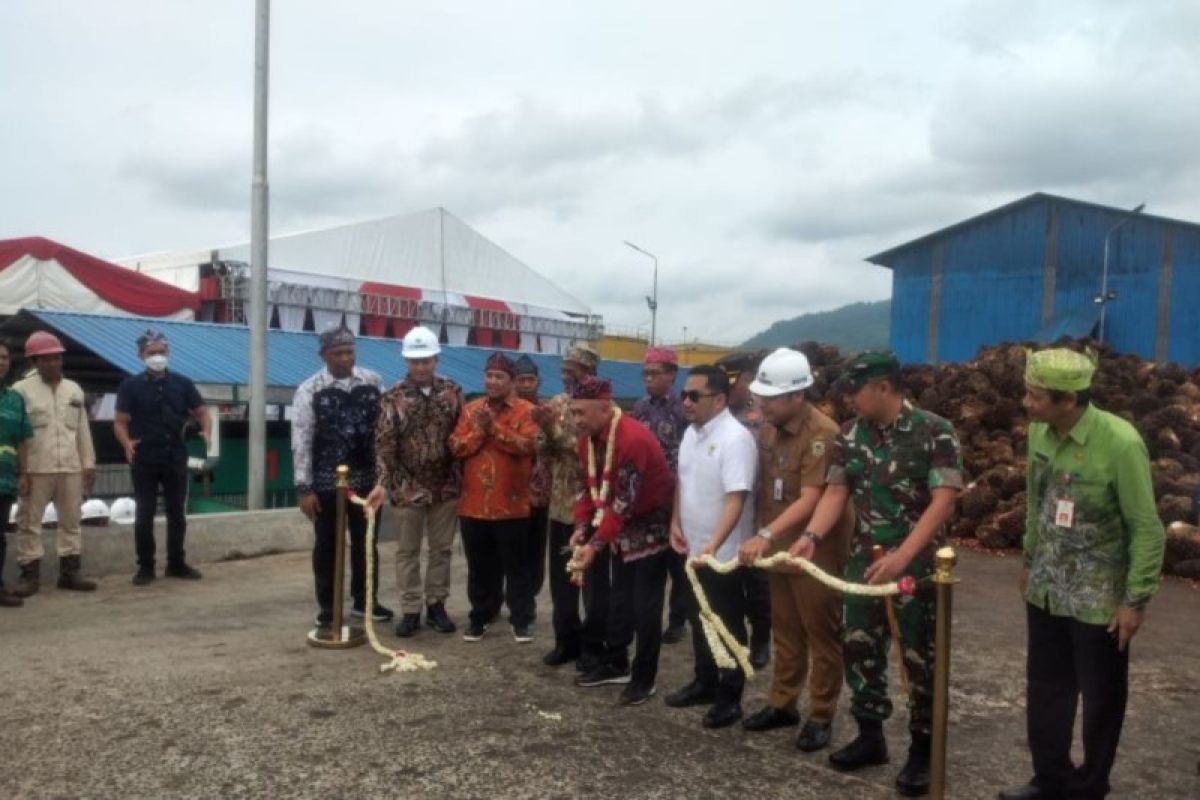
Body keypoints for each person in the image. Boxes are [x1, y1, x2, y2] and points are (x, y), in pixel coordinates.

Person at [792, 351, 963, 797]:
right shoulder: (850, 435)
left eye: (855, 390)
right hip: (864, 561)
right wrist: (811, 535)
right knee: (859, 646)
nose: (849, 400)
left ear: (883, 387)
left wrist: (905, 555)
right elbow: (835, 492)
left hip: (919, 567)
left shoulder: (934, 430)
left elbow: (943, 499)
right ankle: (871, 737)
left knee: (920, 659)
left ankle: (924, 751)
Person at [998, 349, 1166, 800]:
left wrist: (1135, 600)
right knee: (1046, 688)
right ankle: (1048, 779)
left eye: (1036, 397)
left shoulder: (1120, 443)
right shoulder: (1039, 432)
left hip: (1100, 598)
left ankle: (1090, 787)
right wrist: (1030, 560)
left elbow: (1147, 527)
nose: (1027, 404)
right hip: (1048, 588)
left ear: (1069, 400)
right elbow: (1037, 501)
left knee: (1100, 698)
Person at [737, 348, 853, 752]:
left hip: (815, 546)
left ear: (798, 396)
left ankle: (821, 714)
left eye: (770, 397)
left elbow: (811, 497)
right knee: (785, 628)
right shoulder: (769, 427)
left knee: (820, 631)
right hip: (780, 540)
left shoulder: (823, 433)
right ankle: (783, 703)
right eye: (761, 396)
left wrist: (765, 534)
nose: (762, 404)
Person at [569, 376, 674, 707]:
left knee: (646, 608)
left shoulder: (632, 439)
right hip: (617, 527)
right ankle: (616, 663)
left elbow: (621, 505)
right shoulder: (586, 440)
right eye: (573, 413)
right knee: (619, 601)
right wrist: (581, 527)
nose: (576, 421)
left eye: (581, 413)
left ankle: (645, 678)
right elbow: (589, 490)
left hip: (650, 526)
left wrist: (594, 545)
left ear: (605, 408)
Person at [664, 365, 758, 728]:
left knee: (726, 622)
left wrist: (713, 546)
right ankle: (705, 681)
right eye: (683, 395)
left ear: (719, 399)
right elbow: (682, 482)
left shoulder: (735, 439)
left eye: (694, 396)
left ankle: (729, 696)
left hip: (723, 553)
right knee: (697, 616)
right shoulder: (692, 433)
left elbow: (736, 498)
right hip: (692, 547)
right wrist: (675, 521)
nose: (685, 402)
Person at [365, 325, 463, 638]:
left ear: (436, 359)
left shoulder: (452, 392)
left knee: (441, 550)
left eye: (426, 360)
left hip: (445, 486)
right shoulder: (392, 397)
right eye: (414, 361)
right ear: (406, 362)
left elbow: (463, 436)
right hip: (407, 487)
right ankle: (410, 609)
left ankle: (437, 605)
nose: (420, 366)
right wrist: (382, 482)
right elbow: (384, 444)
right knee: (407, 551)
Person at [291, 325, 391, 628]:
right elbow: (301, 439)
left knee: (366, 543)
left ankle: (365, 601)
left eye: (349, 351)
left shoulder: (374, 382)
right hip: (325, 483)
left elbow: (385, 433)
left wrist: (382, 478)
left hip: (367, 480)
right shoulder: (309, 390)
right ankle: (328, 608)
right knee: (327, 546)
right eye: (338, 353)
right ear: (324, 354)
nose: (345, 358)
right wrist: (304, 488)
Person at [448, 352, 539, 642]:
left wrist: (494, 429)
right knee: (479, 567)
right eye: (489, 376)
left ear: (511, 382)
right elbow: (456, 446)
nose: (493, 381)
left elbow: (527, 445)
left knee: (516, 567)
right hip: (473, 504)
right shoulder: (471, 409)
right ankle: (480, 616)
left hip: (511, 503)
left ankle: (521, 619)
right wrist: (478, 430)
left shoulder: (526, 411)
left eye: (499, 377)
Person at [113, 329, 210, 585]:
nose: (157, 357)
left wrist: (206, 431)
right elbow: (120, 422)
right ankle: (145, 567)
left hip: (175, 456)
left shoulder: (183, 384)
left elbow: (202, 412)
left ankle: (176, 563)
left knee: (177, 512)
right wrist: (126, 442)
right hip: (144, 457)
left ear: (168, 353)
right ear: (140, 355)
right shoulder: (130, 386)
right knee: (144, 513)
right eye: (151, 353)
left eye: (161, 352)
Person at [11, 331, 97, 596]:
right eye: (45, 360)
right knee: (29, 522)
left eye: (56, 359)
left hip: (70, 467)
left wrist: (88, 464)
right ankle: (30, 576)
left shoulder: (74, 390)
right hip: (36, 469)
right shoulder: (20, 391)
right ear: (34, 362)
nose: (52, 364)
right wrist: (21, 473)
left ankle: (70, 573)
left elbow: (82, 430)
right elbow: (16, 435)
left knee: (72, 521)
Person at [533, 344, 598, 668]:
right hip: (558, 507)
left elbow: (583, 451)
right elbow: (543, 449)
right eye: (564, 366)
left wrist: (553, 431)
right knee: (561, 582)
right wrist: (543, 429)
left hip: (588, 508)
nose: (566, 371)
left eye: (573, 366)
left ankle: (591, 645)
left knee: (588, 582)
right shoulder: (557, 402)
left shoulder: (600, 407)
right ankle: (565, 641)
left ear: (588, 369)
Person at [630, 346, 690, 645]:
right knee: (649, 562)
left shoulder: (684, 410)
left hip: (678, 499)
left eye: (654, 373)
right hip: (646, 499)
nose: (648, 379)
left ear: (672, 375)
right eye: (646, 374)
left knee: (679, 564)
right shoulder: (639, 408)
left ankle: (678, 619)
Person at [717, 348, 772, 669]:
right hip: (726, 510)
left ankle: (762, 639)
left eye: (732, 383)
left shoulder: (763, 417)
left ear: (747, 381)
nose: (726, 391)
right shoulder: (717, 416)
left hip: (758, 511)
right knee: (729, 580)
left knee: (758, 582)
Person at [514, 355, 550, 605]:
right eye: (521, 380)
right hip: (509, 493)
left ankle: (528, 600)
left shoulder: (548, 413)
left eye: (530, 380)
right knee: (507, 552)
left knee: (535, 552)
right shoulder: (502, 412)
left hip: (539, 496)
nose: (526, 384)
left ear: (539, 382)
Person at [0, 340, 32, 607]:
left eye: (4, 357)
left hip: (4, 480)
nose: (1, 361)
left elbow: (22, 439)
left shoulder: (14, 399)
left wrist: (24, 474)